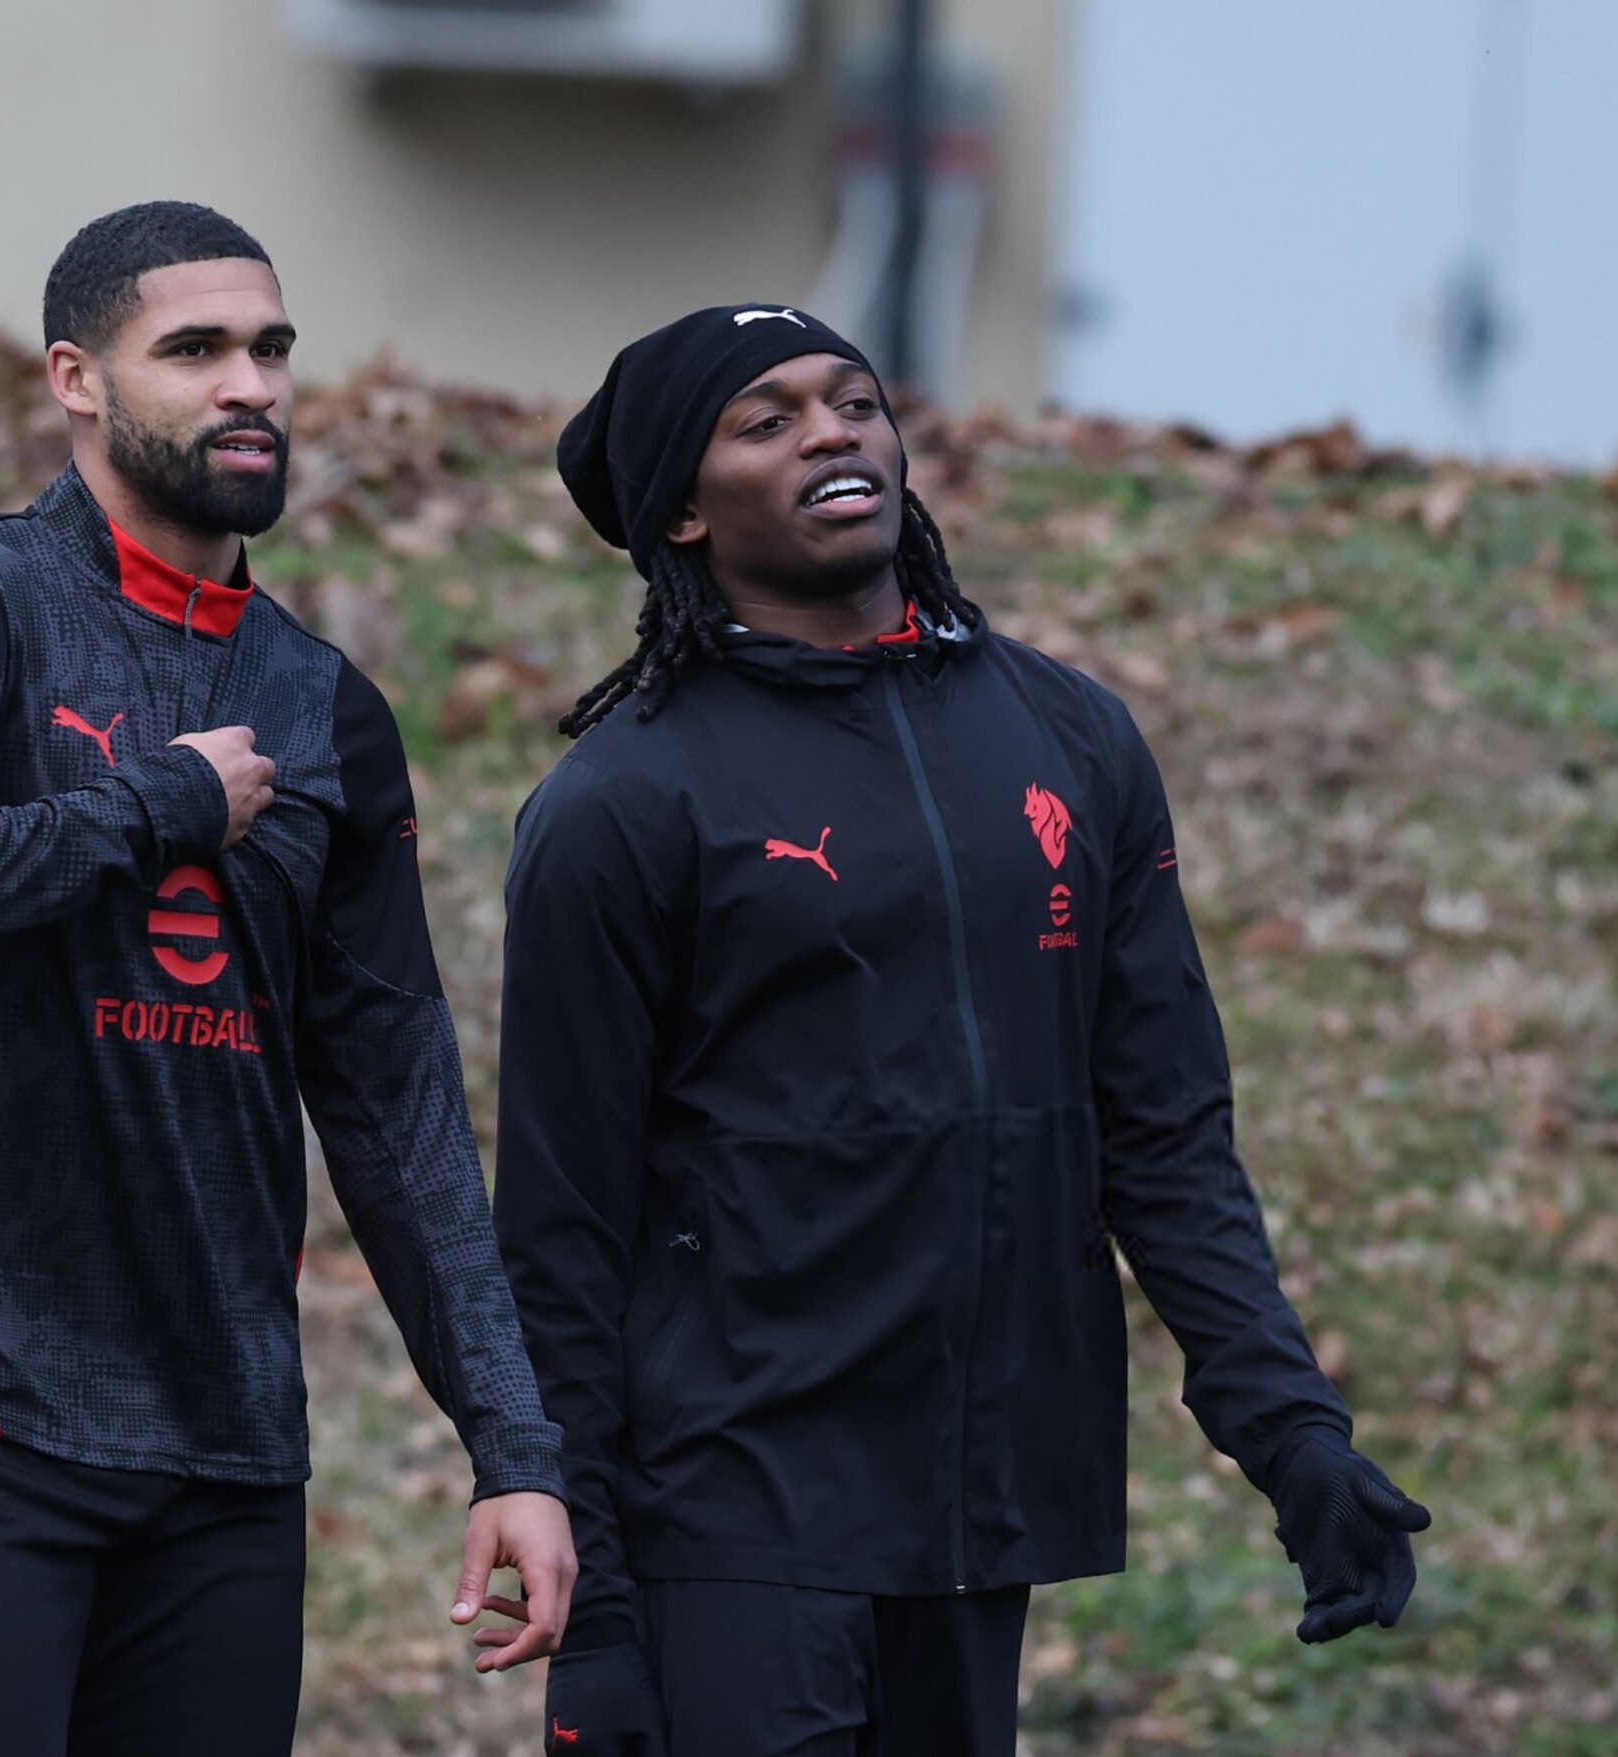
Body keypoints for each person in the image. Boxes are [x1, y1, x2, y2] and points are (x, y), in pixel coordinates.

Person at [482, 305, 1430, 1756]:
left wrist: (1290, 1432)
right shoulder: (623, 804)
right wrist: (599, 1609)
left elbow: (1165, 1131)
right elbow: (560, 1227)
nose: (833, 432)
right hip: (732, 1509)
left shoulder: (1069, 736)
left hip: (977, 1507)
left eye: (853, 400)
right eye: (769, 418)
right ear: (680, 506)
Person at [0, 200, 574, 1757]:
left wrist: (515, 1449)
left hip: (226, 1449)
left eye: (270, 349)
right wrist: (153, 808)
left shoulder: (328, 706)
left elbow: (399, 1112)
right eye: (193, 349)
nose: (250, 385)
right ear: (78, 377)